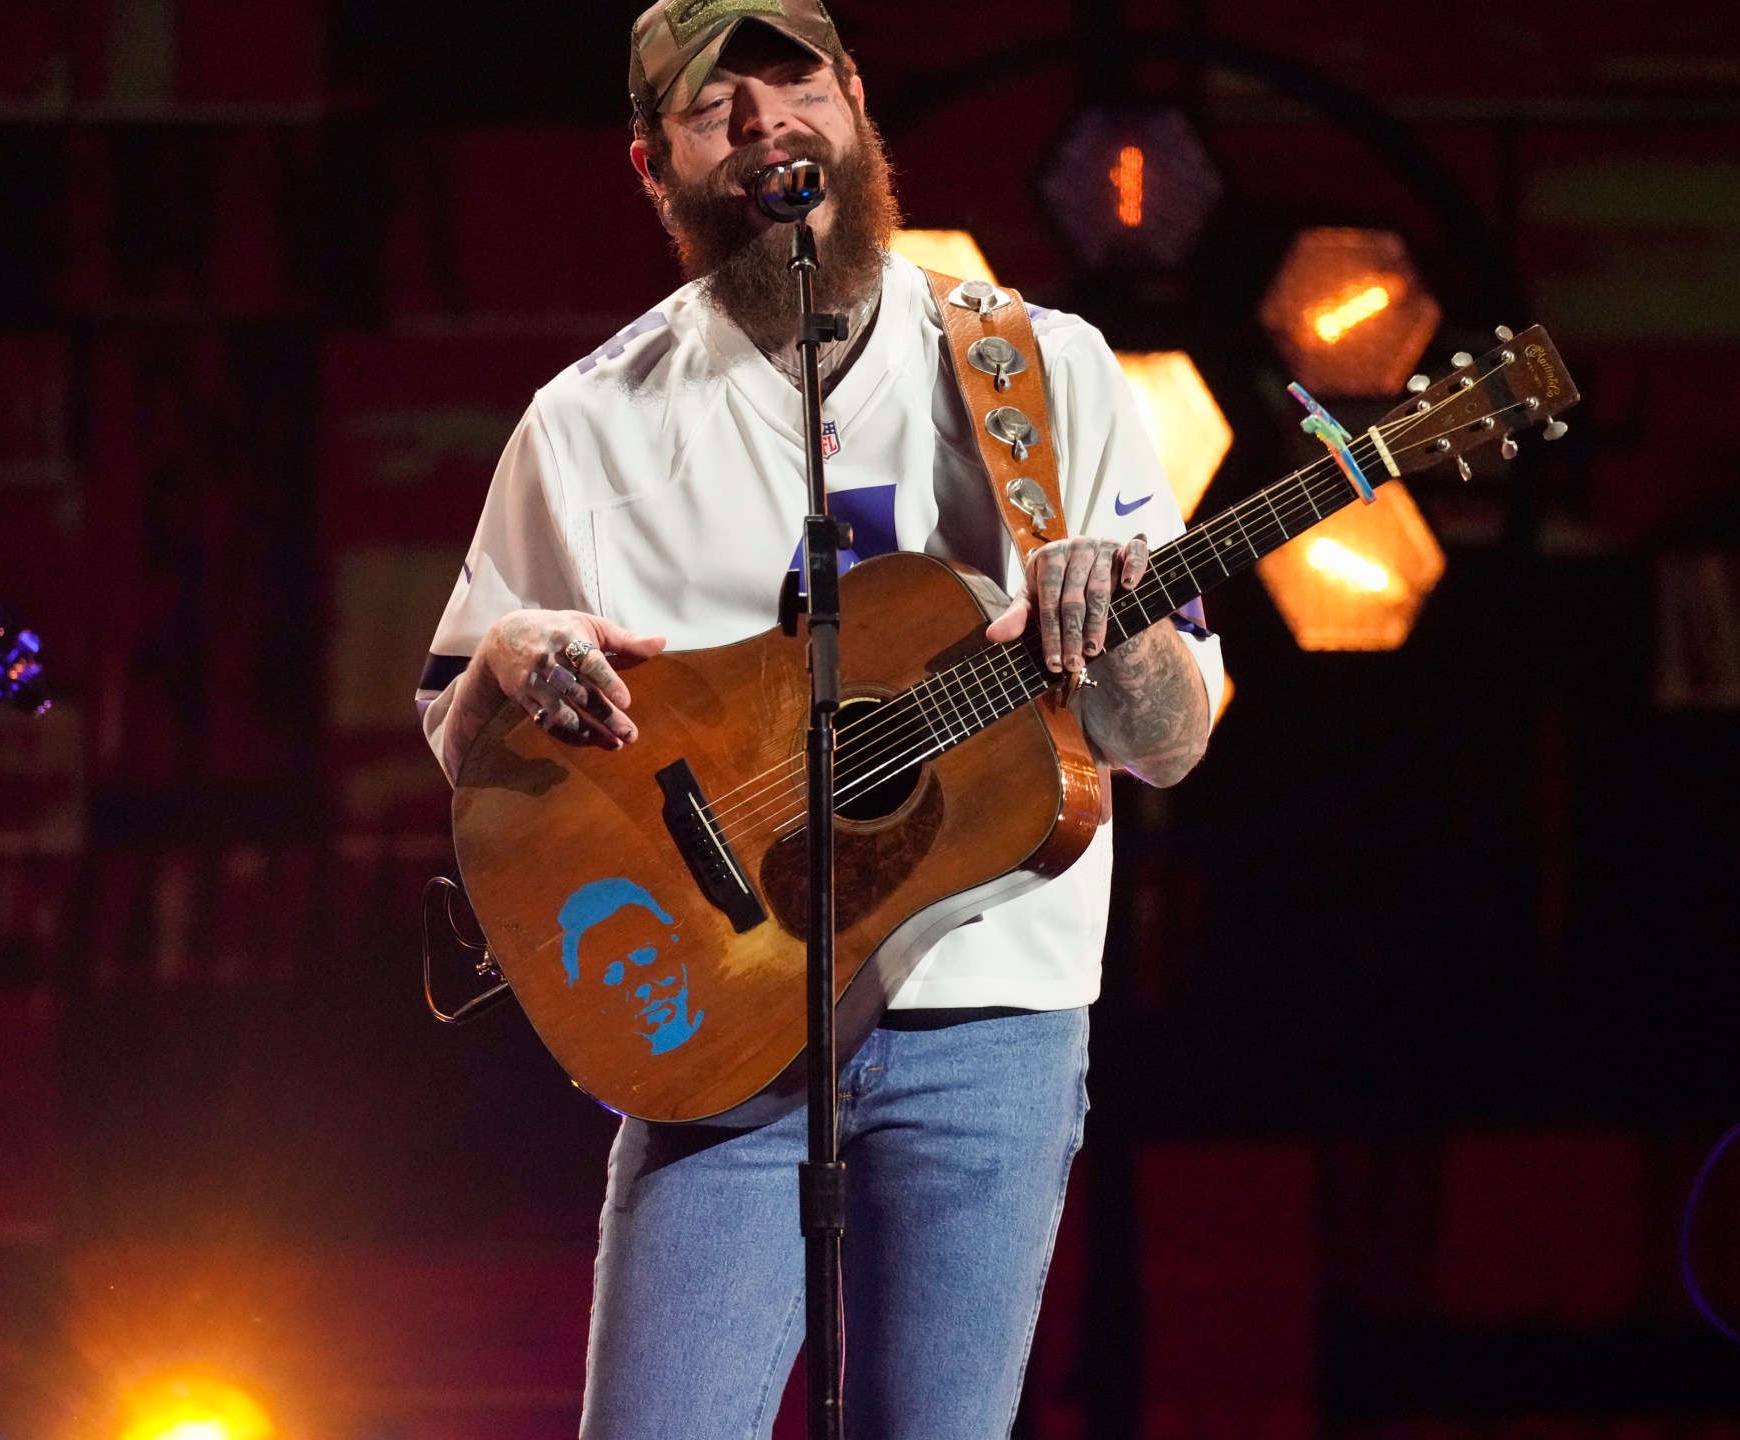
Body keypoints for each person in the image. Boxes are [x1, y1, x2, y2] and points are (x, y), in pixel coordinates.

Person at [413, 3, 1225, 1435]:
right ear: (651, 163)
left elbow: (1165, 739)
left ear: (855, 106)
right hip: (713, 1010)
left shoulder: (1048, 372)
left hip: (993, 1018)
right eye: (714, 105)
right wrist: (510, 661)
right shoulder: (586, 424)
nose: (765, 120)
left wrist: (1129, 617)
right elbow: (459, 722)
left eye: (794, 81)